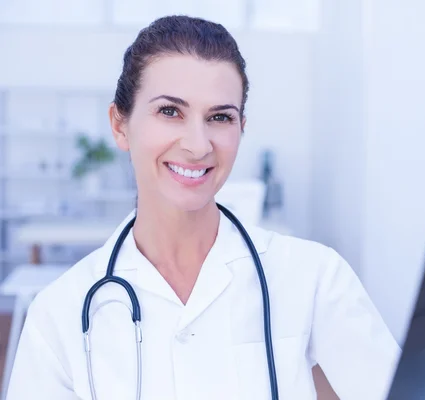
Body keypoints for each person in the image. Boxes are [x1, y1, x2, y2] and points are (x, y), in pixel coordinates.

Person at [5, 16, 400, 400]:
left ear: (241, 127)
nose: (198, 144)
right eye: (170, 111)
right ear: (120, 124)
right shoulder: (59, 313)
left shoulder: (314, 278)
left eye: (220, 117)